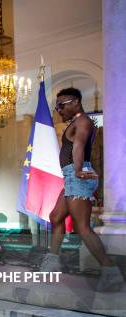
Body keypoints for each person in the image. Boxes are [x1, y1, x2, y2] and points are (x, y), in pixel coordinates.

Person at [41, 88, 123, 292]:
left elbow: (78, 147)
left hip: (77, 175)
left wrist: (78, 170)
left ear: (75, 102)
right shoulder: (75, 121)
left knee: (82, 227)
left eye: (61, 105)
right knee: (56, 216)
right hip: (71, 177)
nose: (58, 109)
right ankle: (52, 262)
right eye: (56, 106)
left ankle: (111, 272)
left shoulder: (83, 121)